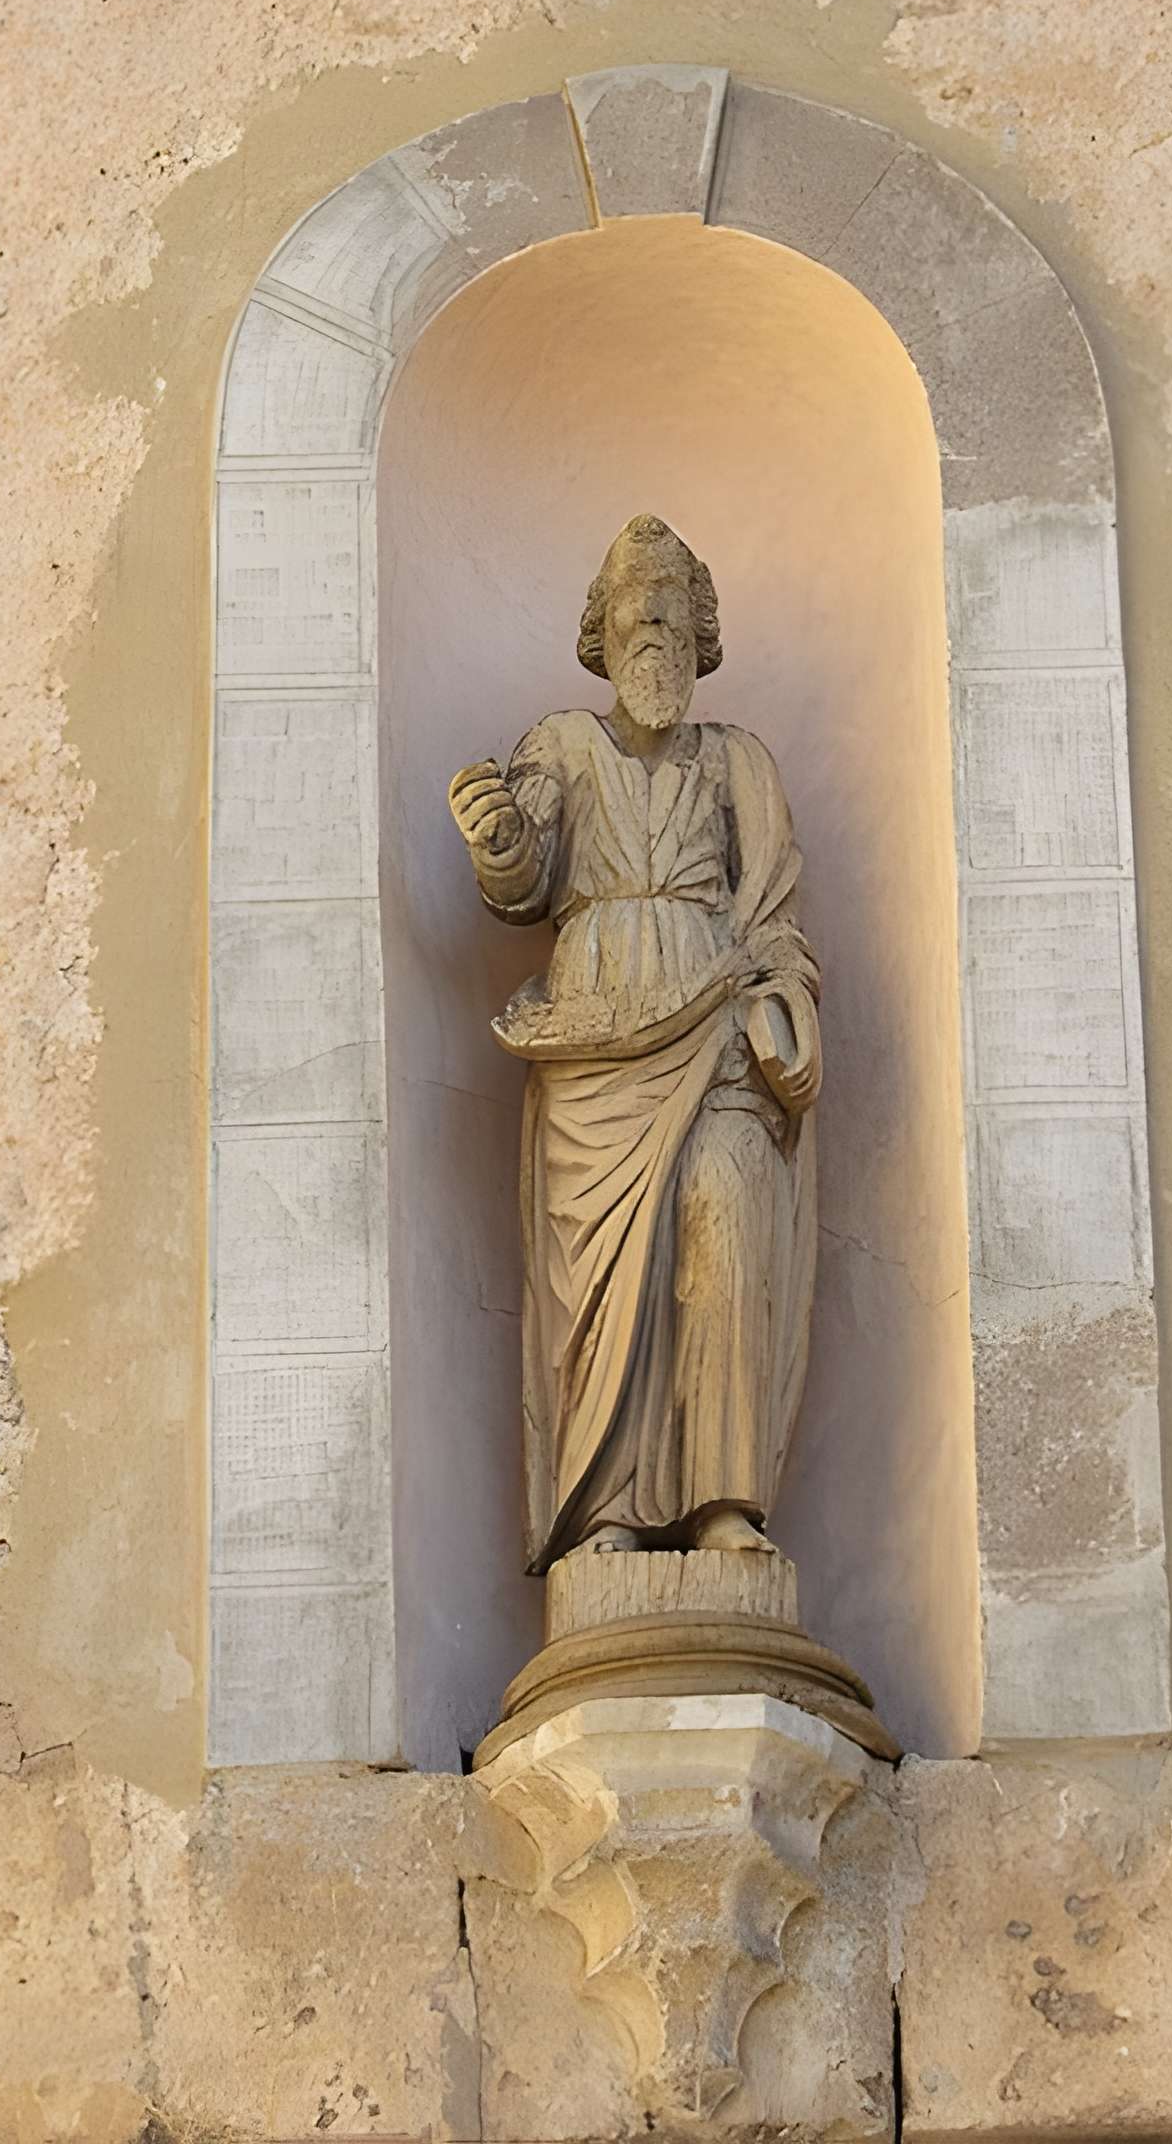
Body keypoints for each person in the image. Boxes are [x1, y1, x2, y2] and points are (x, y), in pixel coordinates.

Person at [448, 513, 822, 1572]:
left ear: (700, 635)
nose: (651, 631)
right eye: (632, 613)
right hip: (595, 1058)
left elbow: (777, 919)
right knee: (605, 1284)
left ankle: (723, 1507)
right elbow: (523, 881)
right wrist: (500, 842)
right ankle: (600, 1514)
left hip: (717, 1044)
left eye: (670, 612)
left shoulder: (738, 763)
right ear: (601, 636)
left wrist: (777, 1014)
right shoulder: (560, 746)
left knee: (725, 1228)